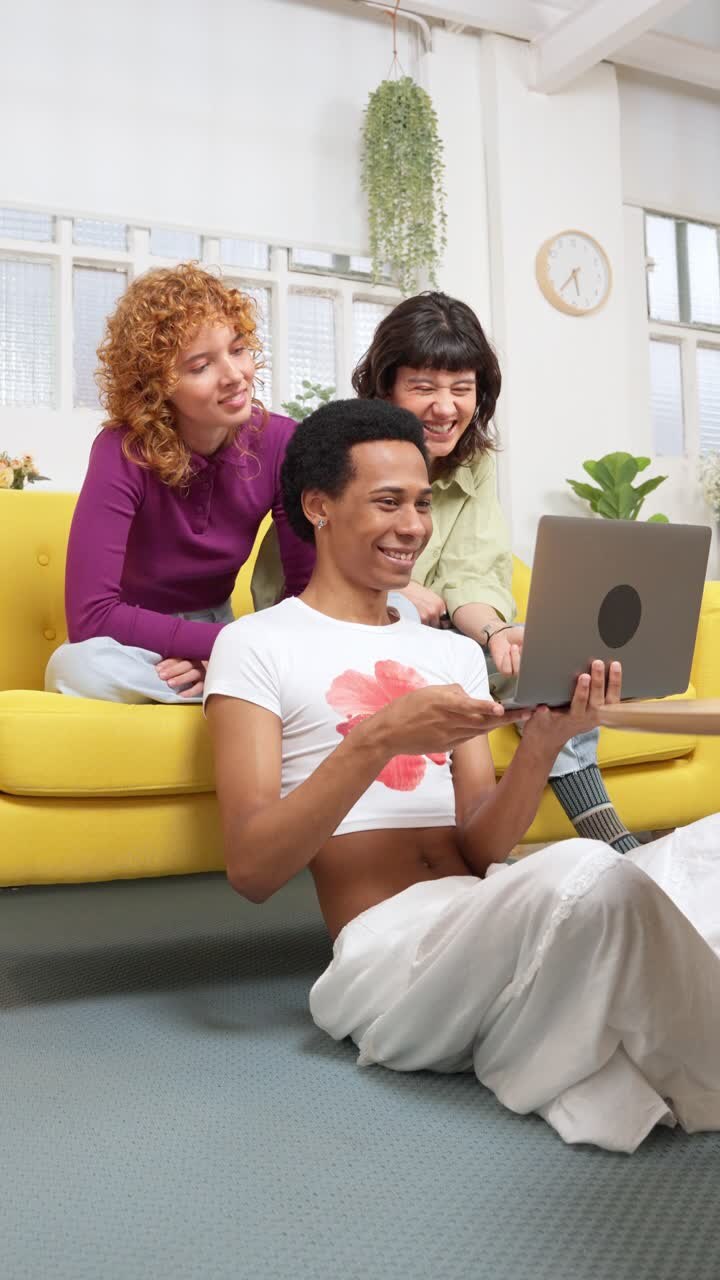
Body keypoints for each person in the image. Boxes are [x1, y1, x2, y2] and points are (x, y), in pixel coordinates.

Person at [204, 398, 720, 1154]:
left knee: (705, 850)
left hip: (486, 903)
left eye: (421, 503)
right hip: (388, 954)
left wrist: (543, 743)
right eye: (388, 502)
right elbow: (252, 869)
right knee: (581, 865)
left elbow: (481, 849)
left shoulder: (448, 652)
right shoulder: (256, 645)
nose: (413, 525)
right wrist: (379, 736)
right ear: (318, 506)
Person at [352, 291, 639, 854]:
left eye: (462, 388)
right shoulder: (346, 447)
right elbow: (317, 560)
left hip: (436, 630)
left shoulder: (474, 463)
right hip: (359, 616)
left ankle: (605, 833)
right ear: (386, 388)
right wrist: (399, 588)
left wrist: (496, 632)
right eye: (424, 387)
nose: (445, 407)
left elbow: (472, 573)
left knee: (541, 665)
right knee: (429, 630)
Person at [45, 263, 314, 704]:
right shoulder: (121, 449)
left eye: (238, 349)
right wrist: (219, 650)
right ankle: (235, 694)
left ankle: (228, 686)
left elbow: (305, 591)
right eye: (201, 366)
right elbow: (91, 617)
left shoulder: (284, 442)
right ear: (157, 386)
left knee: (318, 645)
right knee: (75, 666)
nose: (235, 375)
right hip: (133, 640)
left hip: (230, 634)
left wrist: (232, 649)